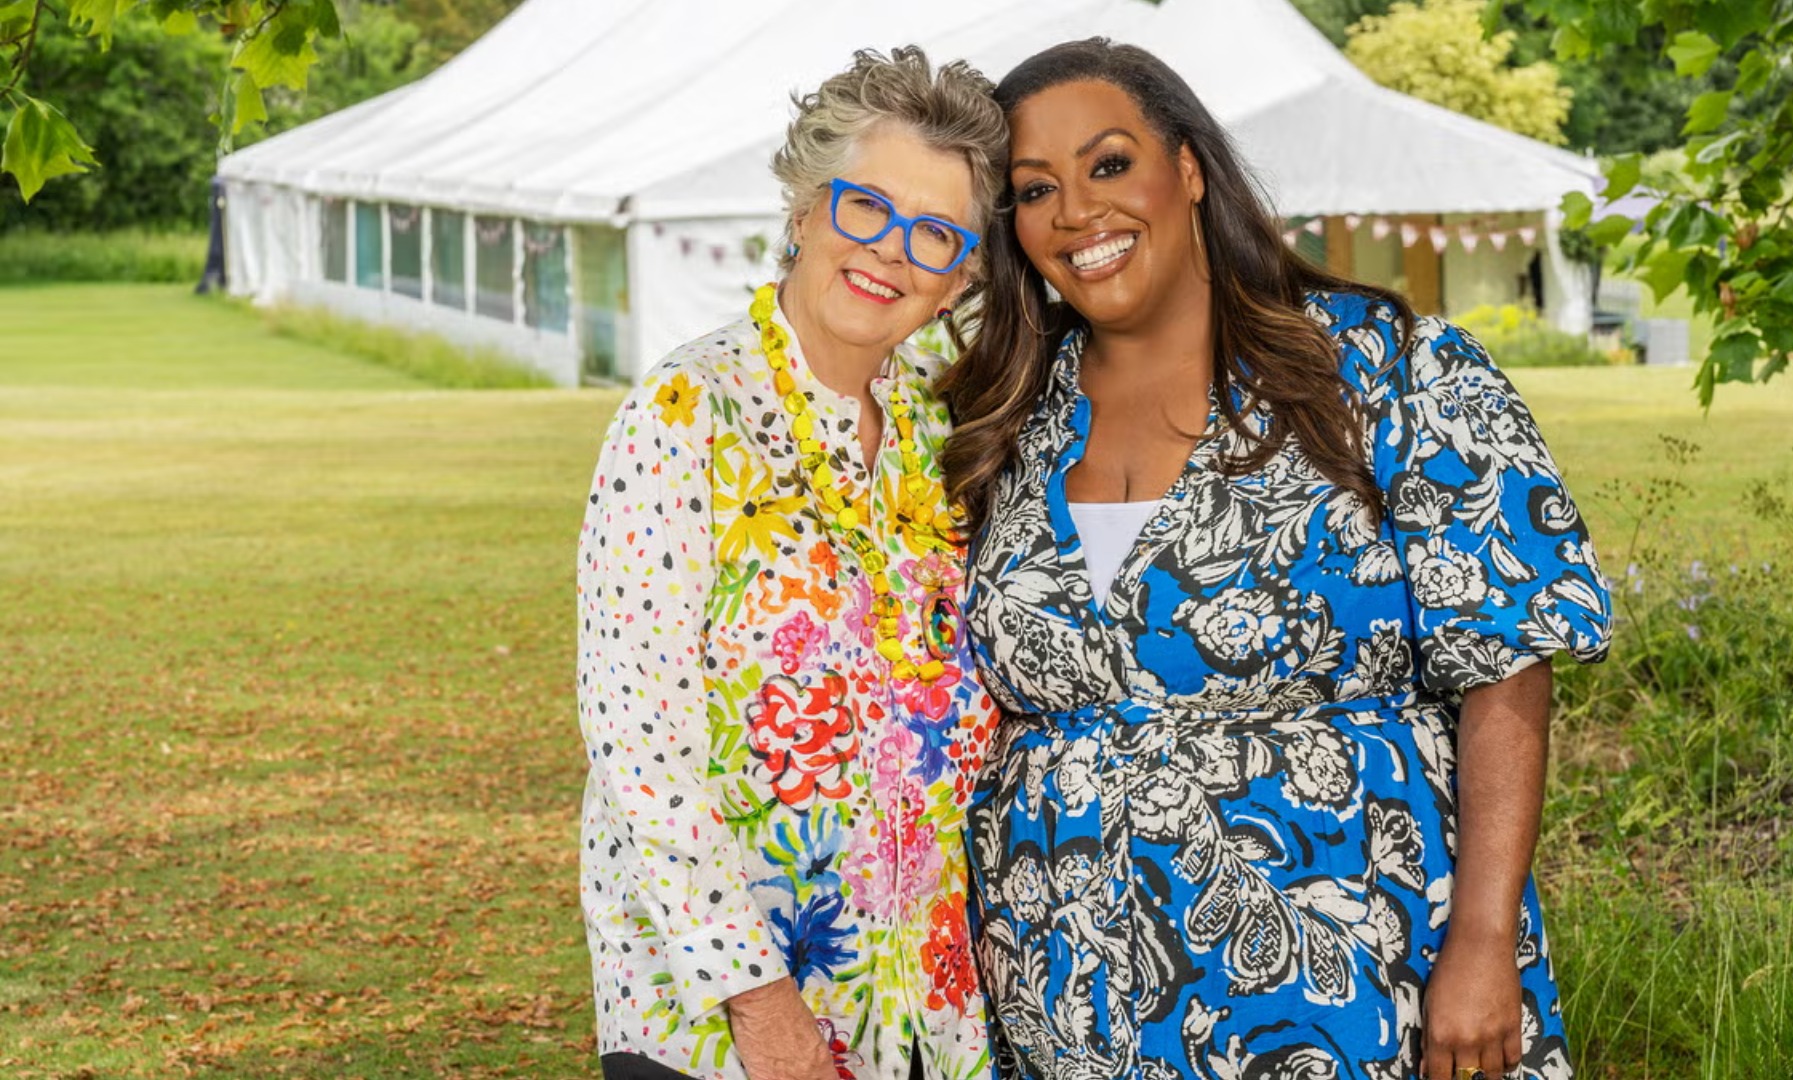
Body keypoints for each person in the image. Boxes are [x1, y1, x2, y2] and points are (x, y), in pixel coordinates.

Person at [940, 39, 1611, 1080]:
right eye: (1036, 191)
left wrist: (1483, 941)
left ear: (1191, 168)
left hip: (1349, 958)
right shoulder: (1003, 418)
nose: (1076, 212)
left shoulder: (1386, 368)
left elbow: (1508, 662)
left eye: (1109, 164)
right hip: (1065, 972)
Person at [576, 46, 1006, 1080]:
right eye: (868, 208)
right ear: (807, 208)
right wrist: (762, 1010)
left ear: (961, 276)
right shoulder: (687, 413)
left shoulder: (944, 436)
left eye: (936, 234)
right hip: (727, 1032)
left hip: (927, 1021)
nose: (892, 252)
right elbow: (641, 743)